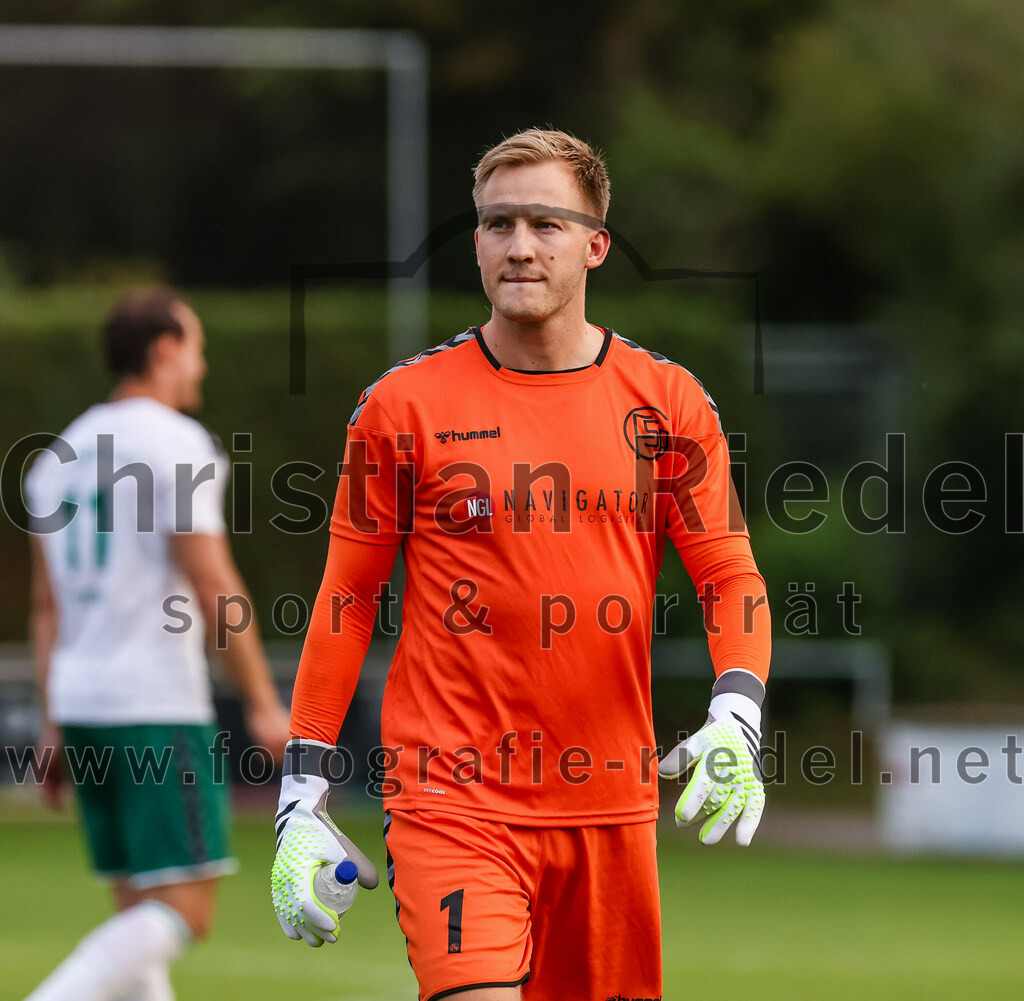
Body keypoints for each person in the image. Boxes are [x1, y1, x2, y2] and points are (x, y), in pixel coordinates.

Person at [271, 129, 771, 1001]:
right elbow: (347, 598)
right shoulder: (402, 406)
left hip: (610, 807)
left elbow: (730, 575)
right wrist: (300, 788)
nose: (520, 245)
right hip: (450, 797)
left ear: (596, 245)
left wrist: (737, 711)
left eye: (546, 222)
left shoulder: (670, 401)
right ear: (475, 242)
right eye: (499, 224)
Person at [24, 286, 291, 1001]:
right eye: (197, 347)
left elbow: (46, 607)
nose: (202, 366)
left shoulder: (57, 456)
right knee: (183, 911)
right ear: (165, 348)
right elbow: (213, 585)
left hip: (83, 703)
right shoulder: (173, 442)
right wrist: (265, 703)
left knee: (137, 919)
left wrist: (52, 719)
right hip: (153, 699)